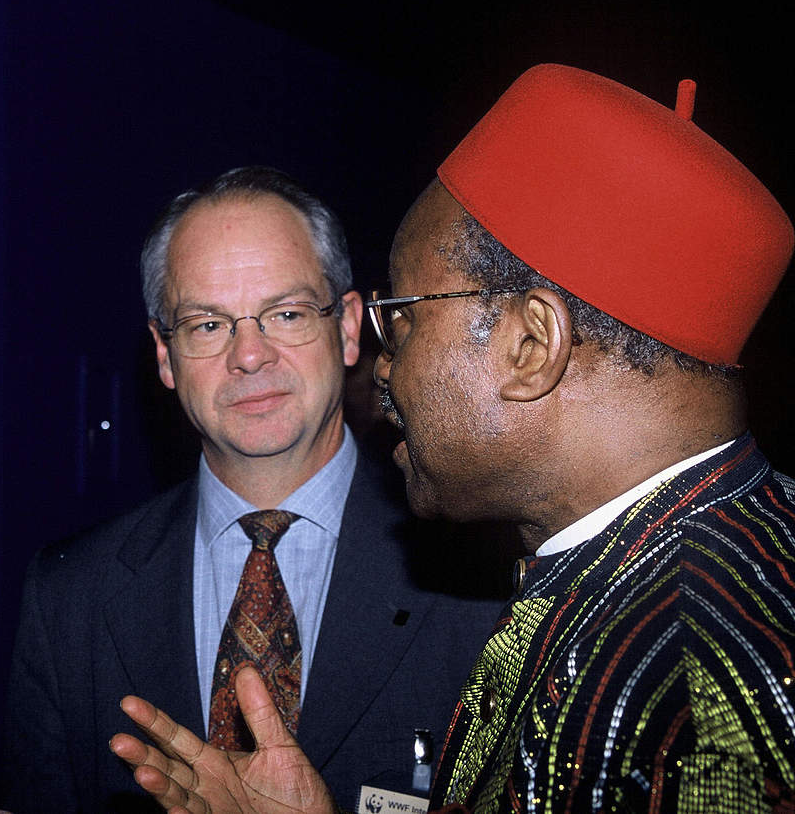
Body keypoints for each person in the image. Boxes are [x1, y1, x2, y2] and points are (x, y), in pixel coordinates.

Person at [108, 65, 795, 813]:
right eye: (208, 324)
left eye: (400, 314)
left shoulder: (700, 700)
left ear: (532, 346)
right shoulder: (640, 571)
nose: (383, 369)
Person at [0, 166, 505, 813]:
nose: (248, 355)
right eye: (208, 325)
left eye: (286, 313)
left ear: (349, 327)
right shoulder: (69, 598)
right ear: (163, 352)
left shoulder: (484, 584)